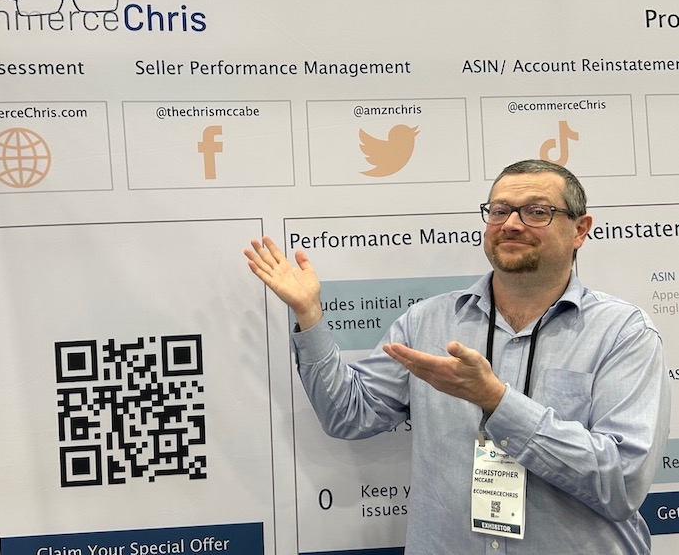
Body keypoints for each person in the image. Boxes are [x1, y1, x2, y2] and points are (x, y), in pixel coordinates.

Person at [244, 159, 671, 554]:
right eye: (499, 211)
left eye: (536, 211)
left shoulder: (623, 334)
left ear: (580, 230)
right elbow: (348, 415)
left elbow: (622, 482)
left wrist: (498, 402)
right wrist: (309, 314)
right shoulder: (427, 322)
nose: (512, 224)